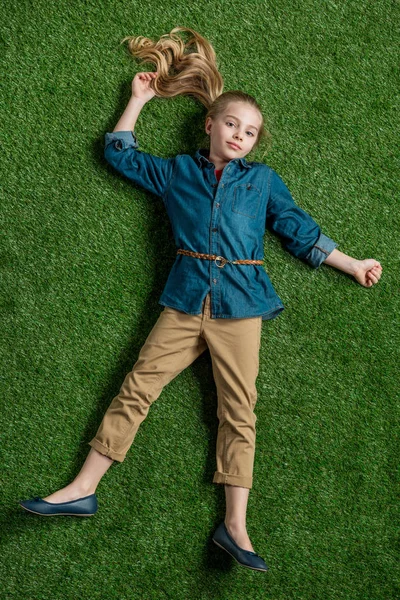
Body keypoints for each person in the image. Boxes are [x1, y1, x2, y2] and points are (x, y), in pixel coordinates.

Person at [18, 27, 382, 572]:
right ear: (210, 125)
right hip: (186, 300)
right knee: (136, 388)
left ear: (256, 144)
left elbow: (298, 231)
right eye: (232, 124)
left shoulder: (262, 183)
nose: (240, 135)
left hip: (242, 307)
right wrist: (137, 100)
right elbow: (120, 153)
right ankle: (81, 489)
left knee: (240, 412)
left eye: (251, 132)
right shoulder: (177, 172)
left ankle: (235, 526)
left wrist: (351, 263)